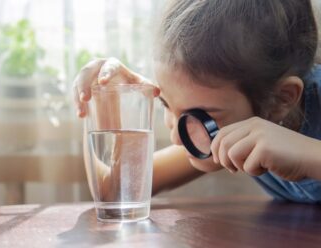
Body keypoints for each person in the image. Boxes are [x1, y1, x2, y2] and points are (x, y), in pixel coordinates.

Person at [73, 0, 321, 203]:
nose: (176, 139)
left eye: (201, 116)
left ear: (280, 99)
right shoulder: (215, 133)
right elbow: (115, 189)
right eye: (166, 105)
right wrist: (105, 102)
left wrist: (309, 156)